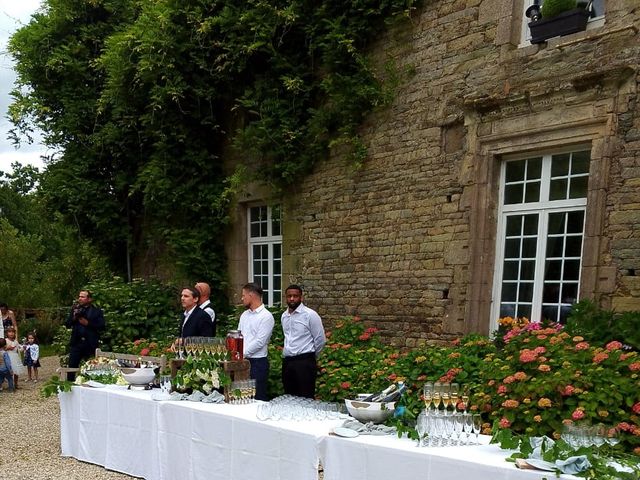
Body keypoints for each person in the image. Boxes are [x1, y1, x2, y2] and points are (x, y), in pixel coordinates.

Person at [280, 285, 326, 398]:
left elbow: (320, 339)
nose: (292, 299)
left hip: (305, 362)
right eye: (289, 296)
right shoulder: (284, 316)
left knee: (306, 397)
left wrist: (311, 357)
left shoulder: (310, 315)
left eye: (295, 296)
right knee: (289, 397)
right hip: (288, 362)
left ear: (301, 298)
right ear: (285, 297)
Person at [238, 283, 274, 401]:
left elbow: (260, 342)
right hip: (242, 361)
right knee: (241, 396)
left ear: (251, 295)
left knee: (257, 397)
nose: (242, 298)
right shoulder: (244, 315)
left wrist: (242, 354)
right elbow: (239, 335)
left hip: (257, 363)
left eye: (244, 295)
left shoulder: (266, 316)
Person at [65, 290, 105, 373]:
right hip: (76, 344)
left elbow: (102, 326)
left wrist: (88, 323)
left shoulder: (97, 311)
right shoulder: (75, 310)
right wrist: (74, 318)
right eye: (79, 296)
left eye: (82, 297)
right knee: (71, 368)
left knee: (91, 368)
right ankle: (70, 384)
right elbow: (67, 324)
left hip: (90, 344)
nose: (80, 298)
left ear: (89, 299)